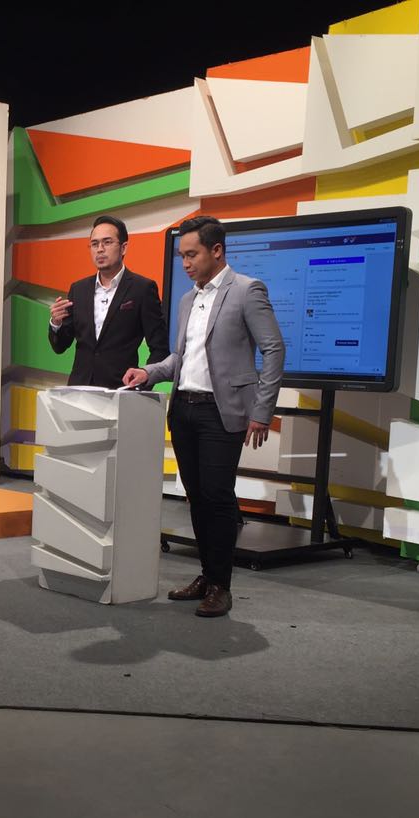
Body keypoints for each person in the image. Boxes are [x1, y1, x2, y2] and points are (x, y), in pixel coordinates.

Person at [123, 216, 284, 617]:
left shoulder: (247, 290)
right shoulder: (186, 300)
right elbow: (181, 357)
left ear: (216, 250)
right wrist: (149, 372)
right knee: (196, 496)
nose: (185, 263)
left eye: (192, 254)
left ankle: (221, 586)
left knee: (217, 495)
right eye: (182, 256)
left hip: (221, 411)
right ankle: (207, 575)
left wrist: (262, 410)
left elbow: (274, 349)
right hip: (184, 409)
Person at [48, 215, 169, 387]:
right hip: (79, 390)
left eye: (107, 242)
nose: (100, 249)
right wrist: (56, 323)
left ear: (123, 248)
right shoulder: (78, 289)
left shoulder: (142, 288)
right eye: (94, 244)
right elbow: (60, 346)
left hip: (120, 391)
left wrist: (141, 384)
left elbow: (160, 348)